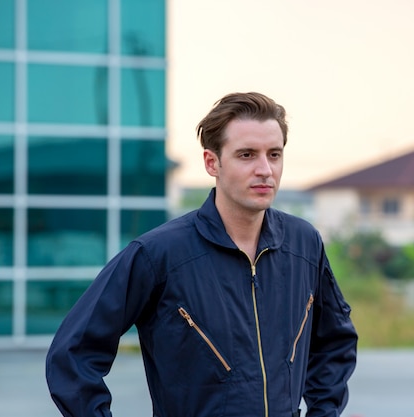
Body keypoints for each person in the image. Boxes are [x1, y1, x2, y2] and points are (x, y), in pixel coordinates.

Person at [45, 92, 358, 417]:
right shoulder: (160, 254)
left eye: (274, 154)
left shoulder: (304, 245)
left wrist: (324, 412)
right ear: (213, 163)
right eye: (247, 155)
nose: (265, 169)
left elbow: (335, 342)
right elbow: (72, 354)